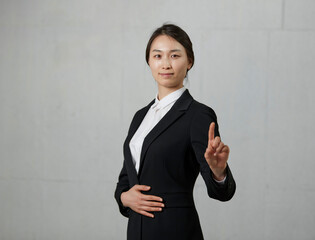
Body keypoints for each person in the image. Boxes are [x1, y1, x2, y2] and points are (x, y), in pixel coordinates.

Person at [114, 23, 236, 240]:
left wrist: (219, 172)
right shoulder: (140, 117)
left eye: (175, 55)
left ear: (189, 62)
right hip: (137, 232)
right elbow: (125, 180)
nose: (166, 64)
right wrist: (125, 198)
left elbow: (222, 192)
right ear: (149, 62)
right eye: (158, 56)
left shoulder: (198, 115)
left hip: (175, 231)